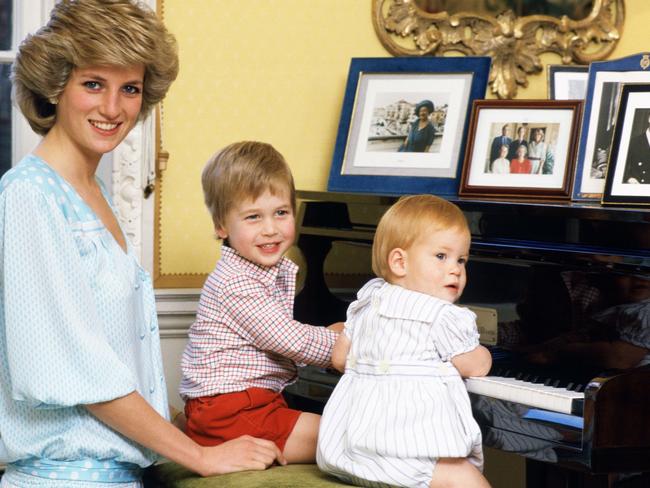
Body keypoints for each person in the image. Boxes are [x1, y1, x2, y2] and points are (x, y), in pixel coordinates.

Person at [0, 2, 285, 486]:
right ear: (55, 87)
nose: (113, 109)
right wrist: (200, 455)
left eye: (129, 89)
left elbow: (115, 358)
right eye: (93, 84)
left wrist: (191, 429)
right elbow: (78, 372)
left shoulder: (91, 194)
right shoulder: (29, 196)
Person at [180, 141, 343, 464]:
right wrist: (340, 345)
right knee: (348, 437)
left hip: (249, 404)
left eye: (281, 212)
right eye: (253, 217)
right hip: (232, 411)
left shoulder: (259, 271)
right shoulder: (236, 282)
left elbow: (287, 335)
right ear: (221, 226)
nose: (271, 229)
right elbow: (287, 339)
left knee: (346, 431)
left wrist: (330, 337)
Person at [317, 195, 492, 488]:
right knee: (466, 478)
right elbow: (474, 366)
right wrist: (484, 353)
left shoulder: (366, 302)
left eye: (461, 259)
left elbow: (338, 359)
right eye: (441, 256)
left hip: (350, 452)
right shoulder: (442, 316)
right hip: (409, 456)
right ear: (399, 261)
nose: (456, 269)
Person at [623, 113, 650, 184]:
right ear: (649, 119)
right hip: (636, 186)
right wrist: (628, 178)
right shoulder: (633, 142)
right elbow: (620, 166)